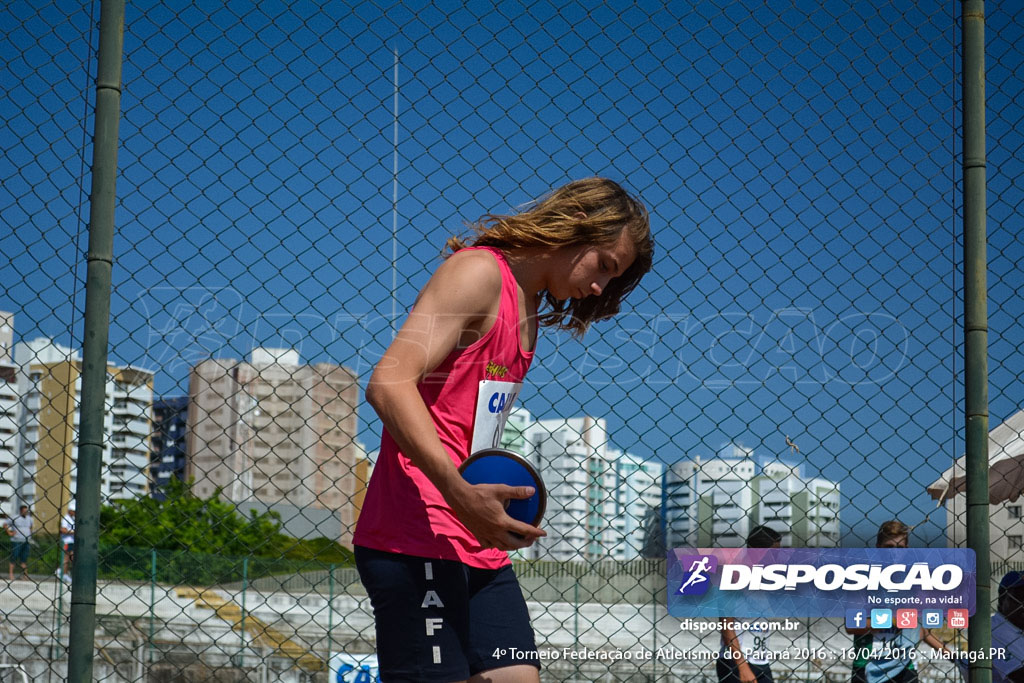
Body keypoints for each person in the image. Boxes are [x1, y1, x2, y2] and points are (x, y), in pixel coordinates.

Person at [352, 178, 653, 682]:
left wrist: (476, 501)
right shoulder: (476, 274)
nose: (600, 287)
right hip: (415, 529)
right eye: (603, 265)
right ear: (575, 227)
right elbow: (388, 382)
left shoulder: (527, 308)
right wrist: (457, 489)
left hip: (474, 534)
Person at [847, 520, 949, 683]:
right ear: (878, 547)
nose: (894, 553)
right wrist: (891, 620)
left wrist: (951, 655)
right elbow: (851, 626)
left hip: (904, 667)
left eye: (899, 548)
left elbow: (920, 630)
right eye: (889, 547)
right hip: (868, 665)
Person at [717, 525, 784, 683]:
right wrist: (742, 667)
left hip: (760, 660)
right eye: (774, 552)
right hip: (735, 662)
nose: (777, 557)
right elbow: (726, 625)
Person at [991, 571, 1024, 683]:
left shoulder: (1017, 629)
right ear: (1002, 600)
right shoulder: (994, 630)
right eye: (1020, 597)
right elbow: (1019, 676)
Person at [5, 505, 32, 581]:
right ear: (20, 511)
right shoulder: (14, 517)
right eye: (24, 511)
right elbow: (5, 524)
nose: (25, 512)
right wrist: (9, 533)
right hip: (16, 540)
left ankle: (25, 575)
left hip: (26, 541)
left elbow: (30, 527)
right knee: (14, 557)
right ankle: (11, 574)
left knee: (24, 559)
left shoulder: (29, 519)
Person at [59, 505, 75, 584]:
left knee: (71, 558)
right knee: (66, 558)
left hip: (72, 541)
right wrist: (73, 532)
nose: (75, 513)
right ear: (70, 511)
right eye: (74, 511)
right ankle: (62, 573)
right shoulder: (66, 518)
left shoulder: (72, 519)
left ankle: (65, 573)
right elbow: (63, 530)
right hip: (66, 541)